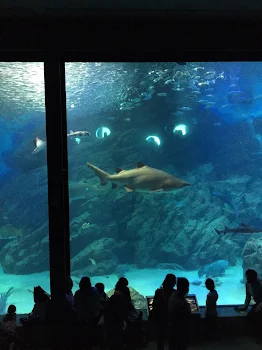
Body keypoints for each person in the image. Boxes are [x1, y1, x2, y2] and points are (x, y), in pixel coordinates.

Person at [235, 269, 262, 340]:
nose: (247, 278)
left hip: (260, 304)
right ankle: (255, 334)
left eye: (248, 277)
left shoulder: (260, 283)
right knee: (250, 317)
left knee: (258, 316)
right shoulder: (247, 284)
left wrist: (259, 306)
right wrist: (244, 307)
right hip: (258, 304)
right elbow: (248, 297)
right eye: (246, 277)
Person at [152, 273, 177, 350]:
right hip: (171, 318)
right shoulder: (175, 293)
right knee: (172, 339)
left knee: (160, 339)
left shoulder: (158, 292)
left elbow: (154, 305)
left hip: (160, 318)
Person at [168, 277, 191, 350]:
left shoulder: (174, 295)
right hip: (179, 329)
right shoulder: (180, 302)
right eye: (187, 286)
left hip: (173, 328)